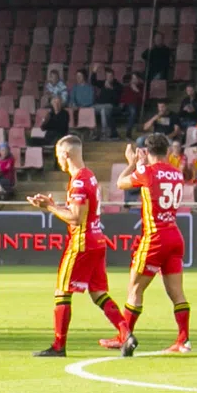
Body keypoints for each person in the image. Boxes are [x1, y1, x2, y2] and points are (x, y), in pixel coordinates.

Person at [28, 134, 132, 358]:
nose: (58, 161)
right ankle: (126, 334)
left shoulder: (78, 182)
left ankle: (58, 346)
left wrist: (50, 208)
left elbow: (76, 217)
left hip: (82, 241)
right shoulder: (89, 177)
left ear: (66, 154)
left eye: (58, 156)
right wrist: (53, 205)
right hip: (97, 240)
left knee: (62, 292)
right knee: (98, 293)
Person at [115, 131, 191, 355]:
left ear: (146, 152)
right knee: (177, 293)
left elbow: (120, 184)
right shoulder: (177, 174)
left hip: (155, 237)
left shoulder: (146, 172)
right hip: (175, 236)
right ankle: (183, 340)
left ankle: (124, 337)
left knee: (135, 289)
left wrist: (131, 163)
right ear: (167, 151)